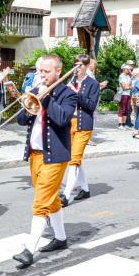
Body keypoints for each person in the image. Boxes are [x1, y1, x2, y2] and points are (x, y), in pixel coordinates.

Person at [13, 54, 77, 268]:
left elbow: (62, 119)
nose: (41, 75)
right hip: (35, 154)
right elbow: (21, 120)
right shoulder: (35, 90)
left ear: (58, 71)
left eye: (46, 71)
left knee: (41, 203)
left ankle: (29, 249)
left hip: (55, 155)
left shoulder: (68, 94)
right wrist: (29, 99)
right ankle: (60, 238)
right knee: (51, 200)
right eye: (40, 71)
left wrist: (45, 98)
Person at [60, 54, 100, 206]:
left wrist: (76, 94)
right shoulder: (70, 81)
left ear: (87, 66)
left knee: (74, 159)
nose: (77, 69)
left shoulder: (93, 84)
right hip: (69, 123)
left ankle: (66, 194)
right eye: (75, 65)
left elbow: (90, 106)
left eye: (80, 66)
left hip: (84, 125)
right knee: (74, 158)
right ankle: (85, 189)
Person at [117, 64, 132, 129]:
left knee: (126, 110)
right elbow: (124, 87)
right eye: (127, 69)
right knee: (122, 109)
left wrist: (129, 84)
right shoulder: (121, 76)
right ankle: (120, 124)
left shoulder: (128, 77)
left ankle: (124, 124)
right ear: (124, 69)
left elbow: (128, 86)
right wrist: (130, 87)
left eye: (129, 69)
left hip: (128, 94)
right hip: (123, 94)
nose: (129, 70)